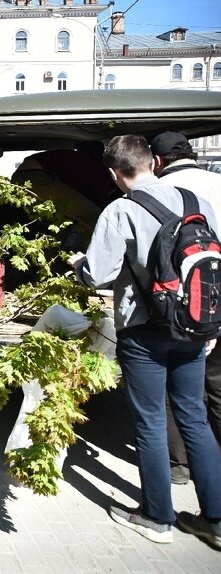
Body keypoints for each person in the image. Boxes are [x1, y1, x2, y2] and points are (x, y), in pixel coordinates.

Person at [69, 134, 221, 548]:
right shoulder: (197, 203)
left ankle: (157, 516)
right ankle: (216, 520)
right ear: (153, 161)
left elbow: (99, 274)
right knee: (194, 417)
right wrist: (211, 327)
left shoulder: (120, 210)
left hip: (144, 331)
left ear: (114, 173)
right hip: (193, 326)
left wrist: (80, 265)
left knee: (151, 422)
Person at [150, 131, 221, 486]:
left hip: (184, 302)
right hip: (218, 292)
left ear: (158, 162)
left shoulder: (165, 193)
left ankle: (179, 466)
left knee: (177, 386)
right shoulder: (217, 182)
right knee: (218, 384)